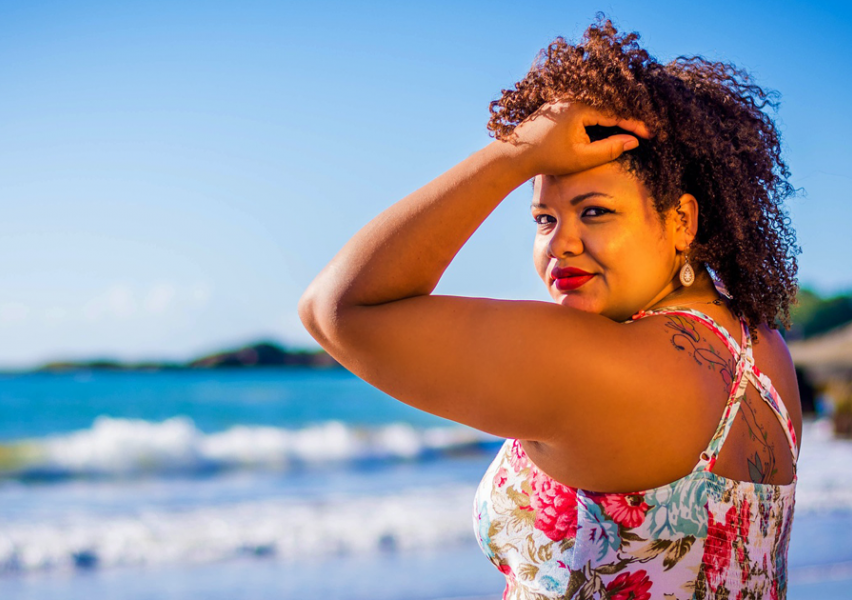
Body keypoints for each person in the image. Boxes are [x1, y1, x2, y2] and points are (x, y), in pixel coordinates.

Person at [298, 14, 802, 600]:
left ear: (682, 220)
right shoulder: (761, 348)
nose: (559, 243)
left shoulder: (598, 363)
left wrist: (511, 156)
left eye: (594, 212)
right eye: (544, 218)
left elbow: (337, 308)